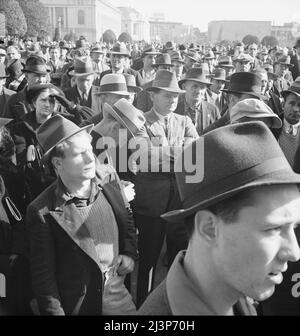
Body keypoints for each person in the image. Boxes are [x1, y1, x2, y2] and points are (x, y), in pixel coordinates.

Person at [138, 121, 300, 315]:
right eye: (273, 229)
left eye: (294, 227)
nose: (294, 252)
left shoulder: (236, 294)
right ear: (209, 228)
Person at [26, 115, 138, 315]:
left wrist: (129, 252)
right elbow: (44, 279)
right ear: (58, 163)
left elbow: (126, 216)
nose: (90, 158)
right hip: (80, 305)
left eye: (90, 150)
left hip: (118, 293)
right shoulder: (42, 210)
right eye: (80, 154)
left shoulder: (109, 177)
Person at [133, 70, 198, 307]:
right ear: (152, 96)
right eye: (166, 96)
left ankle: (175, 307)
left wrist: (162, 153)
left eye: (175, 96)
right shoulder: (141, 120)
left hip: (180, 203)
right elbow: (143, 157)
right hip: (151, 204)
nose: (172, 100)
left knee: (179, 260)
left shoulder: (185, 121)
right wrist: (179, 151)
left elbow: (195, 158)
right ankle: (143, 307)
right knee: (148, 261)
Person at [175, 67, 220, 135]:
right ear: (184, 87)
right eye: (195, 86)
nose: (199, 91)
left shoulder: (213, 111)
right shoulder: (174, 109)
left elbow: (218, 137)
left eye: (202, 87)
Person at [3, 55, 50, 121]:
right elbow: (5, 127)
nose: (41, 80)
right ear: (26, 76)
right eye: (37, 76)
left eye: (43, 76)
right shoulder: (14, 100)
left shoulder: (53, 100)